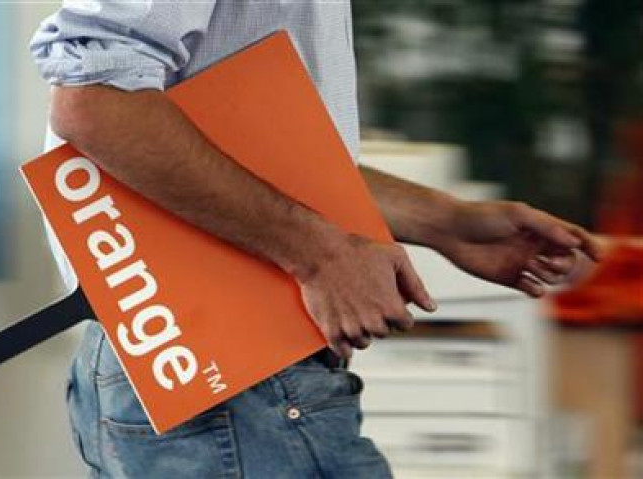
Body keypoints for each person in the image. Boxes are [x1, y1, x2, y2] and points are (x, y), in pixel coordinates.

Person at [30, 2, 601, 477]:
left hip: (205, 366)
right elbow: (97, 100)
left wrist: (445, 222)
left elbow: (240, 157)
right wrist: (322, 255)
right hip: (229, 377)